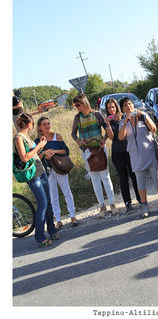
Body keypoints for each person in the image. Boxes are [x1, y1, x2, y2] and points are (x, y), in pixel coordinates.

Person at [118, 97, 158, 218]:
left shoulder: (142, 116)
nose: (128, 107)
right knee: (140, 183)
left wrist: (144, 116)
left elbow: (154, 129)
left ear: (133, 105)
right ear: (123, 109)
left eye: (130, 104)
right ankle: (144, 205)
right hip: (135, 155)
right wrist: (125, 122)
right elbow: (121, 137)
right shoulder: (122, 121)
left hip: (149, 152)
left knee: (157, 178)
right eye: (125, 105)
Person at [13, 113, 60, 247]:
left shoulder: (26, 136)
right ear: (30, 123)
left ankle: (51, 230)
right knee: (43, 203)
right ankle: (39, 237)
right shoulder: (18, 138)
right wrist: (39, 146)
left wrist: (41, 145)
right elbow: (25, 158)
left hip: (40, 171)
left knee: (48, 202)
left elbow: (34, 155)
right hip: (32, 175)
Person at [71, 94, 119, 218]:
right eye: (75, 105)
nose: (76, 107)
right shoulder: (77, 118)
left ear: (84, 103)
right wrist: (78, 141)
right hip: (86, 152)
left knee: (106, 177)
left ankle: (113, 204)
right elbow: (73, 133)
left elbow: (107, 128)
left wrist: (104, 139)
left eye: (78, 104)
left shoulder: (97, 114)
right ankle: (102, 206)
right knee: (95, 180)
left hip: (99, 150)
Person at [36, 116, 78, 230]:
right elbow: (37, 158)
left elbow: (66, 151)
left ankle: (73, 216)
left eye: (48, 123)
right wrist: (44, 153)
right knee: (53, 195)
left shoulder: (56, 136)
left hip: (60, 167)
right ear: (40, 127)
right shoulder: (38, 141)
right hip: (48, 171)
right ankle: (58, 220)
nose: (47, 126)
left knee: (67, 191)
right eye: (44, 124)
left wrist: (54, 151)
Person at [105, 98, 141, 213]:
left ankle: (140, 199)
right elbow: (111, 137)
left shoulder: (124, 117)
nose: (111, 109)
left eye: (113, 107)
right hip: (117, 152)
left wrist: (123, 120)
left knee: (134, 175)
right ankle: (128, 203)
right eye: (109, 108)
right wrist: (108, 125)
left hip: (128, 149)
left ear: (117, 107)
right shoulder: (108, 121)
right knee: (123, 178)